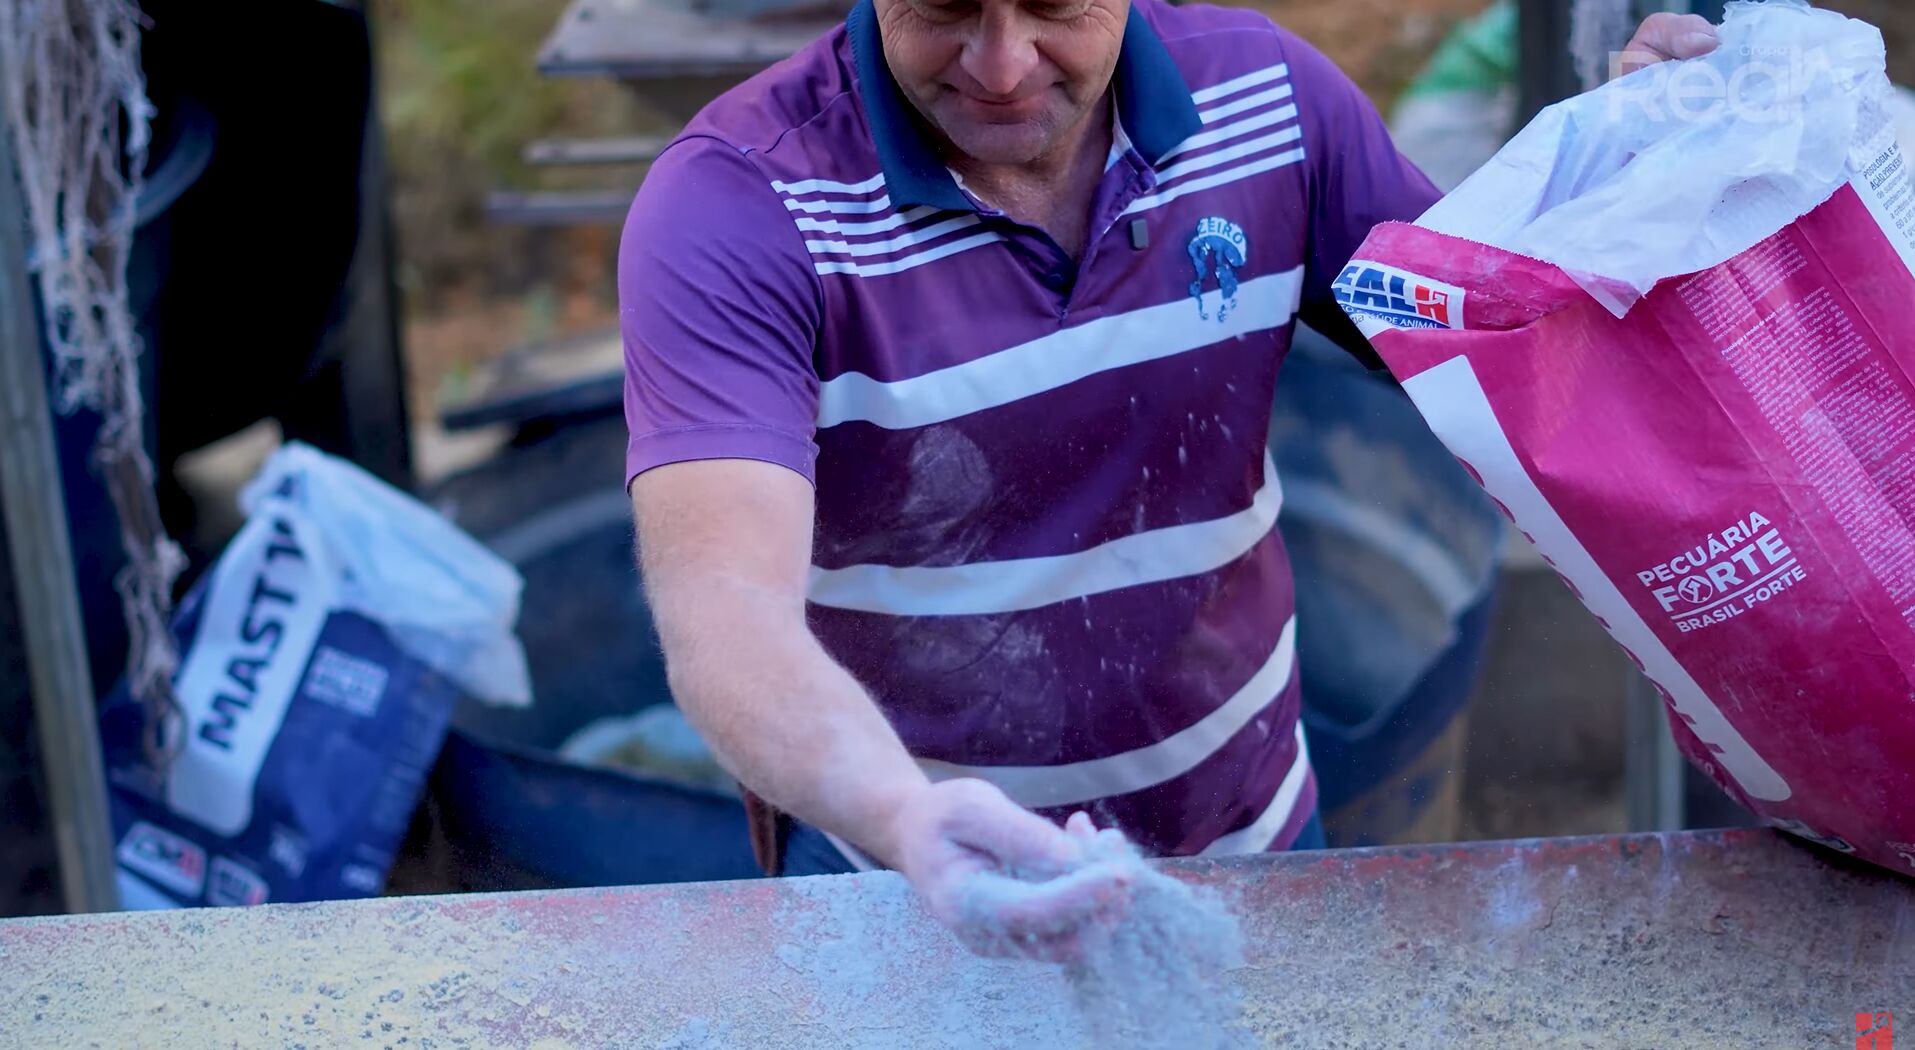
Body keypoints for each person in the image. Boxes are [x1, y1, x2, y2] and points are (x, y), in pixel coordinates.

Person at [619, 0, 1717, 957]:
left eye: (1055, 4)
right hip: (898, 887)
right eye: (943, 7)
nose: (1001, 64)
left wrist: (1628, 176)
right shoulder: (741, 203)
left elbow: (1516, 355)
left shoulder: (1270, 106)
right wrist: (908, 820)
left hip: (1249, 851)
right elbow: (725, 608)